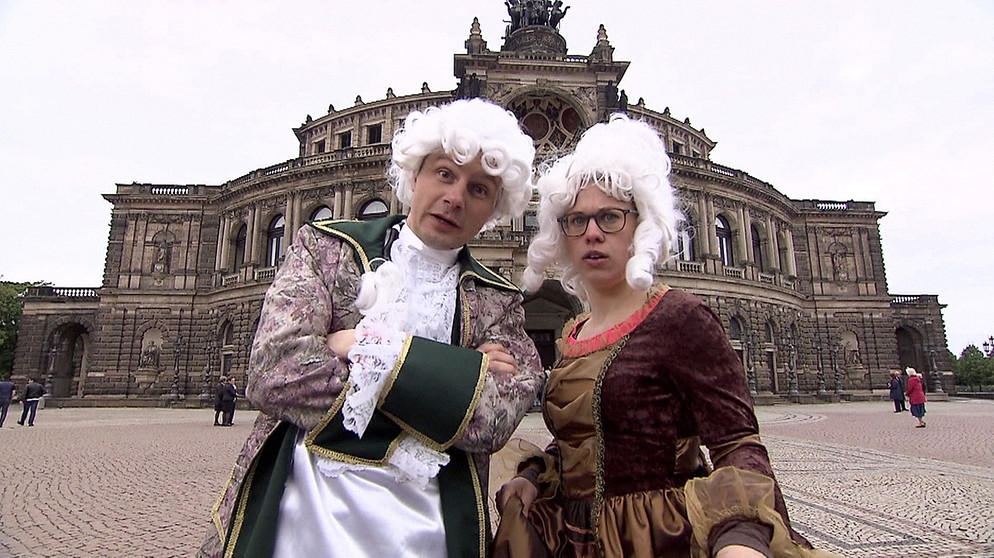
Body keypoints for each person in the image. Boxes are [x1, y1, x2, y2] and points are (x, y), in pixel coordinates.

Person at [198, 98, 544, 558]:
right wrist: (458, 373)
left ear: (493, 209)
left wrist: (358, 344)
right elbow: (272, 373)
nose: (456, 197)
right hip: (304, 515)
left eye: (479, 189)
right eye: (445, 174)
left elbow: (492, 422)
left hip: (430, 530)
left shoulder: (501, 300)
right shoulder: (324, 247)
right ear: (414, 175)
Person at [493, 115, 837, 558]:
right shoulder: (575, 331)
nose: (592, 232)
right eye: (576, 220)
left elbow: (738, 444)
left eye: (610, 217)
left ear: (642, 224)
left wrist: (741, 539)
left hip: (656, 537)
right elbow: (585, 441)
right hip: (571, 537)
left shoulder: (680, 317)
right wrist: (534, 474)